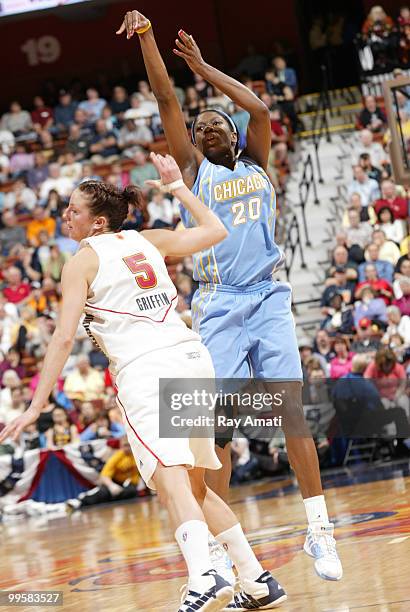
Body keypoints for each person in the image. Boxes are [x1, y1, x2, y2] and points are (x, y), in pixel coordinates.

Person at [0, 153, 285, 612]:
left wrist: (35, 405)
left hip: (147, 368)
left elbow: (65, 337)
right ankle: (256, 580)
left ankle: (204, 576)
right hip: (191, 357)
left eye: (73, 210)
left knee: (169, 477)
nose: (64, 216)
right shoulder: (146, 240)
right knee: (194, 486)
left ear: (96, 224)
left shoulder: (82, 261)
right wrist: (179, 188)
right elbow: (216, 232)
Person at [117, 8, 342, 587]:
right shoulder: (196, 173)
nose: (203, 129)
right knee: (210, 428)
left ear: (235, 133)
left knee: (292, 411)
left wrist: (201, 66)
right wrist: (149, 42)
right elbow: (168, 103)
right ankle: (220, 552)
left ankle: (320, 527)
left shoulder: (258, 161)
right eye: (198, 129)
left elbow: (261, 108)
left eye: (214, 124)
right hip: (218, 303)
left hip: (267, 297)